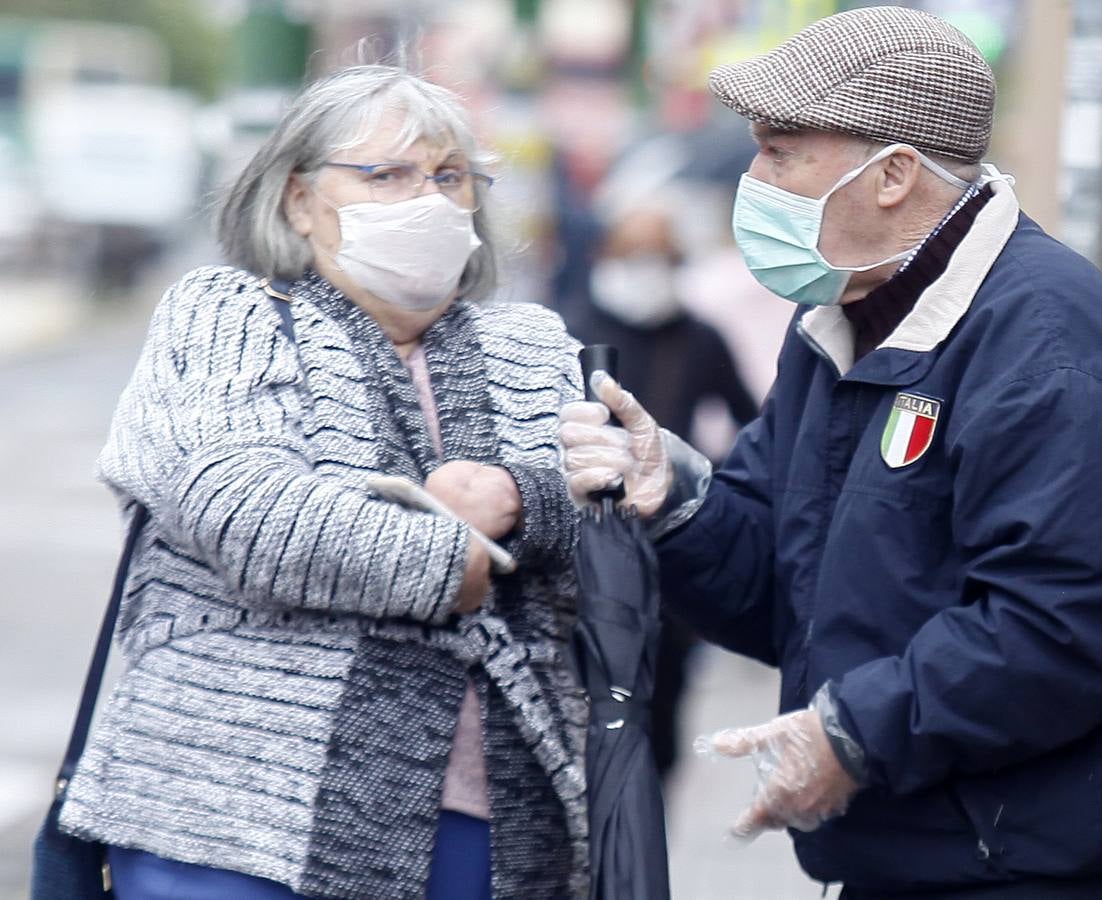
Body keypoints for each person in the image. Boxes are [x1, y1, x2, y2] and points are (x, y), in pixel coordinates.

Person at [560, 6, 1102, 899]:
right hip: (908, 857)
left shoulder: (1042, 334)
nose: (753, 178)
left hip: (1018, 865)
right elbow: (786, 583)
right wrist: (675, 500)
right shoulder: (838, 322)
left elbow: (1060, 619)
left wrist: (853, 735)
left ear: (892, 175)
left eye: (779, 151)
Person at [57, 64, 587, 900]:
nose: (426, 199)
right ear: (298, 200)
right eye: (387, 175)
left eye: (449, 177)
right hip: (234, 817)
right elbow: (245, 510)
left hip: (493, 822)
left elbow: (608, 510)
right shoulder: (226, 312)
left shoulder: (532, 343)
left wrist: (517, 498)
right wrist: (454, 560)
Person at [565, 195, 758, 780]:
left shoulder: (700, 336)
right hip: (583, 541)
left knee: (663, 706)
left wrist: (698, 476)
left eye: (662, 259)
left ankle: (648, 838)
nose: (649, 272)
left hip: (665, 547)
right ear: (608, 258)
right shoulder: (572, 325)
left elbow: (751, 423)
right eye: (636, 257)